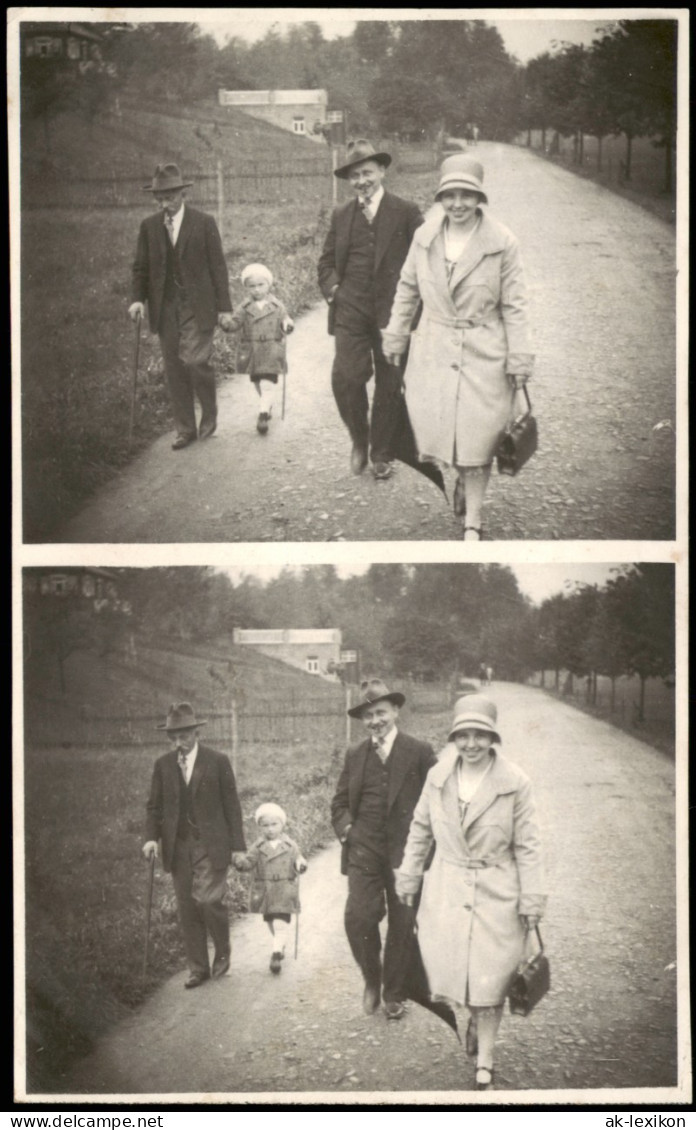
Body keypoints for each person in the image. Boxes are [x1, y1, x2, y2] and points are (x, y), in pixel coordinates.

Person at [395, 695, 546, 1089]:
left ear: (493, 738)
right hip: (447, 887)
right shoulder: (438, 777)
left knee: (491, 978)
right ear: (454, 738)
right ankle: (474, 1023)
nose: (472, 744)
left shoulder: (515, 783)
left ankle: (487, 1056)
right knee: (455, 975)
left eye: (481, 735)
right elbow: (420, 830)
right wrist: (409, 874)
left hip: (498, 891)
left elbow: (528, 846)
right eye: (464, 735)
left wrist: (532, 898)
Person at [382, 154, 534, 540]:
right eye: (450, 195)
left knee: (479, 438)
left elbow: (515, 304)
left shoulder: (502, 242)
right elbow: (407, 289)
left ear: (480, 198)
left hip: (485, 351)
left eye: (468, 195)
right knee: (442, 432)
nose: (459, 204)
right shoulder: (424, 238)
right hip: (434, 347)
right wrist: (396, 334)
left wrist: (519, 356)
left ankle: (473, 522)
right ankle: (463, 480)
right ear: (441, 198)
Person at [318, 140, 423, 480]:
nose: (361, 181)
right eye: (354, 176)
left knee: (390, 384)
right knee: (348, 378)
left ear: (381, 171)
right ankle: (359, 440)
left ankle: (381, 452)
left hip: (394, 313)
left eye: (366, 173)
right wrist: (334, 290)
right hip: (350, 310)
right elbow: (326, 262)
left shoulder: (406, 211)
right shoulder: (341, 214)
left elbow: (425, 259)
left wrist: (418, 305)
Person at [330, 678, 435, 1019]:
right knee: (358, 918)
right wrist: (348, 830)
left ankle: (394, 992)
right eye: (368, 716)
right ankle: (371, 979)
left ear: (395, 711)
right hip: (364, 850)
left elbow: (438, 800)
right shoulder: (355, 754)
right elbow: (340, 803)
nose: (375, 721)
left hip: (407, 853)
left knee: (402, 924)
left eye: (381, 713)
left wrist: (430, 845)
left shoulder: (419, 751)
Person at [129, 163, 234, 451]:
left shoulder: (204, 222)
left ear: (182, 194)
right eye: (160, 198)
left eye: (170, 197)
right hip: (165, 307)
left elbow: (218, 268)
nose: (165, 204)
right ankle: (184, 429)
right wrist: (138, 299)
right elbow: (140, 268)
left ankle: (209, 413)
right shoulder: (149, 226)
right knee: (175, 367)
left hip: (198, 305)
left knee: (195, 361)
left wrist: (225, 308)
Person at [142, 702, 247, 989]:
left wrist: (238, 847)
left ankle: (222, 949)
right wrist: (151, 838)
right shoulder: (163, 765)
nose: (179, 742)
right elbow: (154, 807)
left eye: (184, 736)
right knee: (187, 906)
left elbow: (232, 807)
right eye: (173, 737)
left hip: (211, 844)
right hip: (178, 846)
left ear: (196, 733)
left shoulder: (217, 761)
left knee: (208, 900)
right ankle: (197, 968)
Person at [235, 802, 307, 973]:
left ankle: (275, 954)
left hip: (284, 887)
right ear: (260, 827)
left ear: (282, 824)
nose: (270, 829)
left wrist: (301, 864)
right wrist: (239, 861)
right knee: (271, 921)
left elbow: (299, 858)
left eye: (274, 824)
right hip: (265, 889)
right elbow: (248, 862)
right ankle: (279, 945)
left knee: (281, 921)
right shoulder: (258, 847)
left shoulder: (290, 845)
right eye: (265, 825)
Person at [226, 263, 294, 435]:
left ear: (268, 284)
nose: (257, 290)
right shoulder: (244, 307)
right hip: (253, 349)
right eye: (252, 286)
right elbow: (235, 322)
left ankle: (262, 414)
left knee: (268, 381)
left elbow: (285, 318)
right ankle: (267, 404)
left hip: (271, 347)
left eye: (260, 285)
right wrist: (227, 323)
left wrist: (288, 325)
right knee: (257, 381)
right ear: (246, 288)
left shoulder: (276, 305)